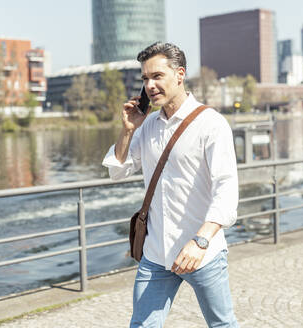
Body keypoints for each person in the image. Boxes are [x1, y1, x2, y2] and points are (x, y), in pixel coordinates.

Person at [102, 42, 239, 328]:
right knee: (141, 325)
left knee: (222, 324)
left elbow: (226, 189)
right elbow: (117, 172)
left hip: (201, 252)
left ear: (179, 74)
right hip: (156, 254)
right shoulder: (148, 124)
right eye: (145, 79)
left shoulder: (211, 124)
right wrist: (128, 131)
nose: (150, 85)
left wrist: (201, 241)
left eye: (157, 76)